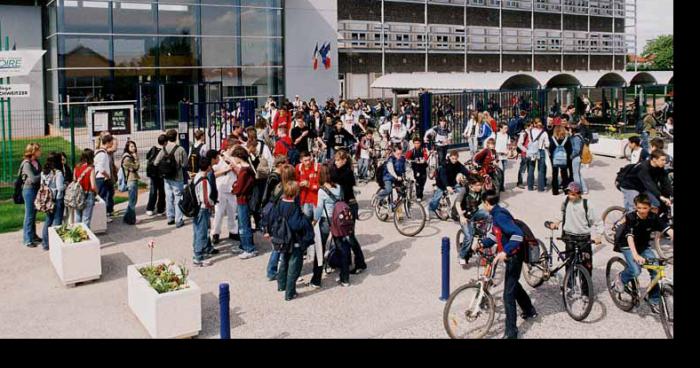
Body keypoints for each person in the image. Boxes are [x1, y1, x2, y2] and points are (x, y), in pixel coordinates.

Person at [473, 191, 537, 339]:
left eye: (483, 203)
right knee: (513, 284)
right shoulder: (497, 214)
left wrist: (505, 252)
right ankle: (529, 310)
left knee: (508, 295)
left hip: (514, 256)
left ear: (486, 203)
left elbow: (518, 235)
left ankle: (511, 333)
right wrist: (482, 243)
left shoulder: (500, 216)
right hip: (511, 255)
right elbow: (497, 234)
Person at [612, 194, 673, 314]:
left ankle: (653, 300)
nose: (642, 211)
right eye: (639, 208)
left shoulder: (653, 217)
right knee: (636, 270)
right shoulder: (631, 217)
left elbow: (669, 231)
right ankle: (620, 278)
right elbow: (629, 237)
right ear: (635, 207)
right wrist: (635, 255)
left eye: (644, 208)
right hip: (628, 245)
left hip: (643, 246)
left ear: (649, 207)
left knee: (657, 271)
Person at [263, 181, 314, 300]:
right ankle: (290, 293)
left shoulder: (279, 203)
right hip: (293, 239)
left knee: (284, 261)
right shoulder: (293, 206)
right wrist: (306, 220)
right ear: (296, 193)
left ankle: (281, 285)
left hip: (281, 238)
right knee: (294, 265)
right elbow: (296, 224)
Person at [546, 182, 603, 280]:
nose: (570, 196)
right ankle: (568, 286)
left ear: (579, 194)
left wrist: (599, 235)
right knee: (569, 263)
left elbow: (598, 221)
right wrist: (557, 222)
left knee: (587, 265)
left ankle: (586, 291)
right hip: (569, 236)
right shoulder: (566, 201)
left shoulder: (587, 204)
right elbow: (562, 212)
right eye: (569, 193)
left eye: (573, 194)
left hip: (584, 238)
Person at [311, 165, 349, 287]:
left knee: (320, 249)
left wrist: (314, 221)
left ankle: (316, 279)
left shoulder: (322, 191)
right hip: (338, 220)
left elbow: (318, 209)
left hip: (325, 220)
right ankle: (345, 278)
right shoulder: (338, 187)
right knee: (341, 247)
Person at [330, 150, 367, 274]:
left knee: (350, 236)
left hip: (349, 205)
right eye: (335, 160)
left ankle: (360, 262)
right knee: (342, 236)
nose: (336, 163)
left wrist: (331, 168)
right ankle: (345, 260)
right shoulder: (340, 170)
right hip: (344, 206)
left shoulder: (347, 172)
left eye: (338, 160)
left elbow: (335, 177)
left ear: (344, 160)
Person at [153, 129, 188, 228]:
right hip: (177, 177)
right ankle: (178, 219)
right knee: (178, 197)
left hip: (166, 177)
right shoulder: (180, 149)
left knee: (169, 197)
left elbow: (156, 162)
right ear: (176, 137)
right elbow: (185, 164)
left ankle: (170, 217)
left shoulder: (164, 149)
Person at [454, 174, 489, 265]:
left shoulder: (481, 190)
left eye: (481, 184)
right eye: (478, 185)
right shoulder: (465, 190)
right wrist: (461, 216)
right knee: (469, 237)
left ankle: (479, 233)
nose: (480, 187)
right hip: (463, 214)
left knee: (489, 215)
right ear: (471, 185)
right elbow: (457, 203)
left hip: (474, 212)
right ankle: (462, 255)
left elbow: (487, 201)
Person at [230, 146, 258, 259]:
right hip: (245, 198)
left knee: (244, 225)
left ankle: (249, 248)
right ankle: (244, 245)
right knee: (243, 223)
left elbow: (239, 187)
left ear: (239, 157)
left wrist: (234, 187)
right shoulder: (247, 168)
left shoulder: (244, 171)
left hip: (243, 199)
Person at [211, 143, 239, 245]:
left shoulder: (236, 159)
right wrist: (225, 170)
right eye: (234, 148)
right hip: (221, 189)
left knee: (233, 211)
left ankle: (233, 231)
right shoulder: (219, 159)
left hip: (232, 188)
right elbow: (213, 174)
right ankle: (215, 233)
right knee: (219, 212)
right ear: (229, 148)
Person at [191, 157, 217, 267]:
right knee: (202, 231)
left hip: (196, 207)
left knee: (197, 230)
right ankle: (198, 257)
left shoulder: (197, 176)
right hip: (202, 208)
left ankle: (197, 250)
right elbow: (205, 198)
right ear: (208, 167)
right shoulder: (204, 180)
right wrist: (212, 206)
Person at [428, 150, 468, 218]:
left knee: (463, 192)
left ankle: (460, 208)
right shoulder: (445, 164)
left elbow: (465, 171)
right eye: (453, 158)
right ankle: (429, 208)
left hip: (452, 183)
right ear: (449, 157)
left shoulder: (458, 164)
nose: (454, 160)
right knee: (437, 198)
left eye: (456, 159)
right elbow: (443, 176)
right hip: (442, 184)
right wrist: (447, 186)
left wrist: (472, 176)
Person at [39, 153, 65, 250]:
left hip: (47, 200)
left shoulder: (44, 172)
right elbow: (60, 188)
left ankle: (45, 243)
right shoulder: (58, 173)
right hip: (57, 199)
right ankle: (55, 244)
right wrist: (65, 184)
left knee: (48, 220)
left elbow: (42, 185)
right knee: (57, 220)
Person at [20, 143, 42, 247]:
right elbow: (33, 179)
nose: (40, 152)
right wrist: (42, 175)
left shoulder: (36, 162)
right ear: (33, 151)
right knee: (29, 215)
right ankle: (27, 239)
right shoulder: (26, 164)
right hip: (29, 190)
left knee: (33, 214)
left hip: (36, 189)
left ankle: (33, 235)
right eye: (38, 150)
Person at [73, 149, 98, 228]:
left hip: (78, 194)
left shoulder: (76, 167)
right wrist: (97, 192)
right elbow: (93, 185)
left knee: (78, 216)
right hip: (88, 194)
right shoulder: (91, 168)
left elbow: (74, 180)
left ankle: (77, 234)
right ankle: (85, 235)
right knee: (86, 218)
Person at [94, 134, 115, 221]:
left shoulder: (99, 152)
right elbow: (101, 168)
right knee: (102, 199)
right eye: (111, 142)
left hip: (101, 178)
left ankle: (103, 216)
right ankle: (102, 218)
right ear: (108, 142)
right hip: (102, 179)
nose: (112, 144)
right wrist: (107, 176)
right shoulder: (102, 154)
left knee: (102, 198)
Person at [145, 134, 166, 216]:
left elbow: (147, 157)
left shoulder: (153, 148)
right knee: (161, 191)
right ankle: (160, 209)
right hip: (161, 174)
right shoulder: (164, 150)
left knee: (153, 191)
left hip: (152, 173)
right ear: (165, 142)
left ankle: (150, 208)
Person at [121, 141, 141, 225]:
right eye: (131, 146)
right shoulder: (127, 158)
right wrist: (136, 158)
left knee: (133, 200)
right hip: (131, 180)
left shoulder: (129, 156)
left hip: (133, 179)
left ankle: (126, 217)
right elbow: (135, 167)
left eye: (134, 146)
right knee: (132, 201)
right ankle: (131, 219)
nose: (134, 148)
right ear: (127, 148)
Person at [526, 118, 549, 192]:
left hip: (532, 150)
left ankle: (530, 186)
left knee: (531, 168)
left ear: (534, 124)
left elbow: (529, 141)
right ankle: (540, 188)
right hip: (541, 150)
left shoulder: (530, 131)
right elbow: (547, 144)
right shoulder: (544, 133)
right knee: (541, 170)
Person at [549, 125, 572, 196]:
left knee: (555, 175)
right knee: (564, 174)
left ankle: (555, 191)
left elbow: (551, 149)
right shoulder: (566, 139)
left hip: (555, 159)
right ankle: (566, 190)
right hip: (564, 160)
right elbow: (569, 150)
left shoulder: (552, 139)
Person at [296, 152, 320, 221]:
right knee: (306, 221)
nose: (308, 162)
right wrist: (299, 184)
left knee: (316, 221)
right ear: (301, 160)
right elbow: (294, 181)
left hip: (316, 200)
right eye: (305, 160)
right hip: (304, 200)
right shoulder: (298, 168)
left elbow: (321, 185)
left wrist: (309, 185)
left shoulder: (317, 167)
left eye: (309, 159)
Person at [405, 137, 429, 201]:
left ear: (420, 143)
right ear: (413, 144)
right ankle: (418, 196)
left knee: (423, 181)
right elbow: (406, 157)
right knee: (418, 182)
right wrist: (409, 160)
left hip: (423, 168)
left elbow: (426, 156)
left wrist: (424, 160)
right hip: (416, 169)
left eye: (418, 143)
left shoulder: (423, 150)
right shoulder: (412, 151)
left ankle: (421, 192)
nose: (416, 144)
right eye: (415, 143)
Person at [569, 124, 588, 194]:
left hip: (576, 158)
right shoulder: (580, 136)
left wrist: (571, 156)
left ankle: (578, 190)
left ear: (573, 130)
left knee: (576, 174)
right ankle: (584, 189)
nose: (569, 131)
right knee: (579, 174)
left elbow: (576, 150)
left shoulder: (576, 138)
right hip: (579, 157)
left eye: (570, 129)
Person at [54, 152, 71, 225]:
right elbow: (60, 187)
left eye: (64, 159)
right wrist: (65, 184)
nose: (63, 161)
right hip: (60, 194)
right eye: (61, 160)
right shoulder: (58, 171)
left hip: (66, 191)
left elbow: (70, 177)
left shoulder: (67, 168)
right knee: (58, 215)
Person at [515, 121, 531, 189]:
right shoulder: (524, 133)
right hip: (525, 153)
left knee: (530, 168)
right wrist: (526, 150)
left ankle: (529, 181)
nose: (532, 127)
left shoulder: (530, 132)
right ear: (527, 126)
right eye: (531, 125)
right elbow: (519, 144)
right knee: (523, 168)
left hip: (530, 153)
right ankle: (520, 182)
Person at [494, 123, 509, 192]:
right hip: (498, 156)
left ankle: (502, 186)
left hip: (504, 156)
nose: (506, 129)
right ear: (500, 128)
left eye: (507, 128)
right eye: (505, 128)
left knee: (503, 172)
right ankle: (498, 186)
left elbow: (508, 144)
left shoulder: (507, 135)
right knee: (498, 171)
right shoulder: (496, 135)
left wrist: (508, 151)